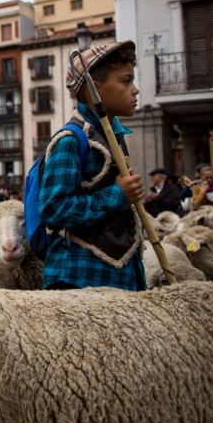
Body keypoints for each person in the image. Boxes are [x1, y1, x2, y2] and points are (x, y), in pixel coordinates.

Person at [38, 40, 146, 291]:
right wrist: (118, 195)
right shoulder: (71, 140)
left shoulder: (113, 138)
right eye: (126, 81)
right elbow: (53, 209)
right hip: (80, 278)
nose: (135, 90)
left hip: (119, 275)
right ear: (96, 89)